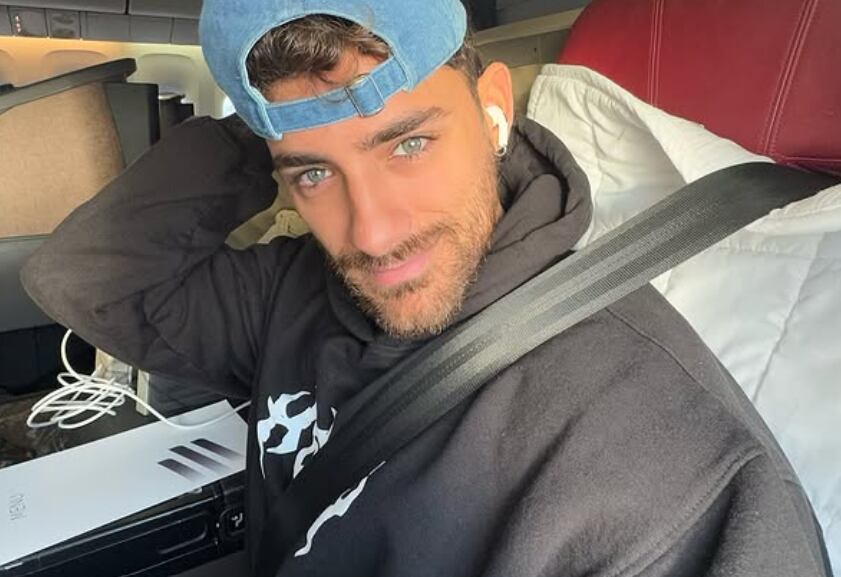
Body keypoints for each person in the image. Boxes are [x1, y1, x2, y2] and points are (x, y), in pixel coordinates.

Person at [21, 0, 833, 575]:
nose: (372, 233)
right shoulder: (289, 288)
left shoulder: (668, 481)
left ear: (492, 110)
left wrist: (312, 132)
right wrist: (269, 128)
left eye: (406, 145)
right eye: (313, 174)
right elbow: (83, 277)